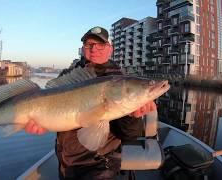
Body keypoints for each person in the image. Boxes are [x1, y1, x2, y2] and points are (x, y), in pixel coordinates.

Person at [25, 26, 157, 180]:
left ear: (110, 49)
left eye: (100, 44)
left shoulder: (120, 83)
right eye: (89, 45)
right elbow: (53, 110)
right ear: (83, 49)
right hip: (65, 161)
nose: (94, 49)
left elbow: (130, 135)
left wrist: (132, 117)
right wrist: (42, 122)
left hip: (99, 165)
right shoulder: (68, 75)